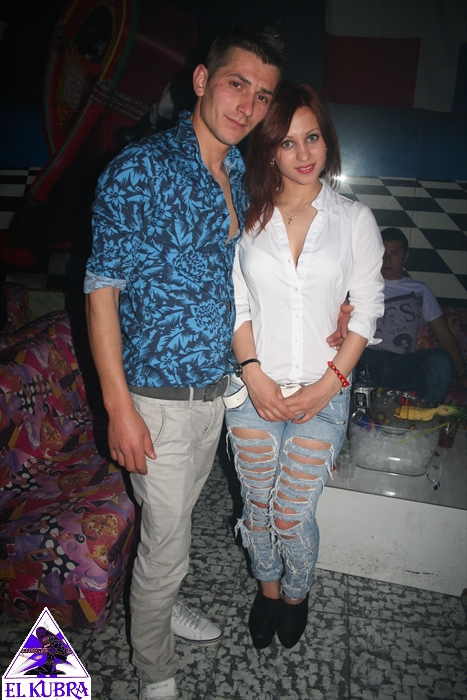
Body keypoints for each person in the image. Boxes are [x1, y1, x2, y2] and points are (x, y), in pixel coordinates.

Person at [84, 26, 285, 700]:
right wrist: (118, 407)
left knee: (176, 527)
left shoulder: (236, 171)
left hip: (212, 395)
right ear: (202, 80)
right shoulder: (140, 169)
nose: (248, 106)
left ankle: (163, 606)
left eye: (262, 96)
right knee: (166, 547)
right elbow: (101, 290)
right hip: (155, 400)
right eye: (236, 85)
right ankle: (155, 674)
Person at [224, 81, 385, 650]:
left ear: (326, 139)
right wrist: (253, 374)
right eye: (287, 142)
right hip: (253, 389)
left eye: (311, 137)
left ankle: (296, 594)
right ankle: (267, 590)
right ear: (269, 150)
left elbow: (367, 308)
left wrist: (328, 384)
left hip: (325, 391)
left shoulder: (353, 219)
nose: (303, 153)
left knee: (291, 515)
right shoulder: (246, 218)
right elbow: (237, 304)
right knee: (257, 509)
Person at [359, 228, 467, 403]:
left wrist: (462, 374)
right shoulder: (361, 286)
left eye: (395, 253)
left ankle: (424, 415)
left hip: (402, 364)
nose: (387, 260)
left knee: (440, 359)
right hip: (366, 359)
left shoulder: (420, 289)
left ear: (406, 256)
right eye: (382, 253)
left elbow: (445, 336)